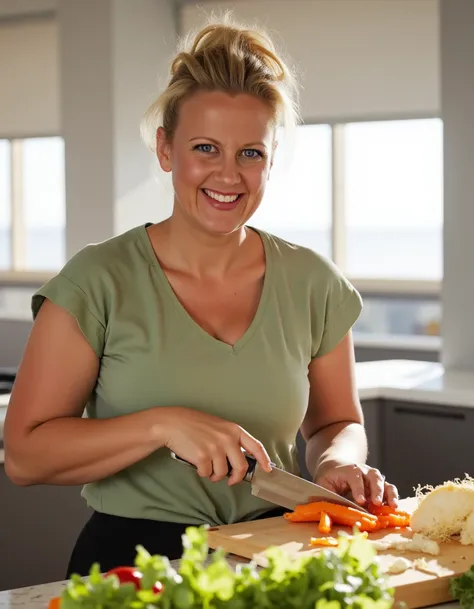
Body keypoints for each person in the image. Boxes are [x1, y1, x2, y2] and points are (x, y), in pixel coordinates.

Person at [3, 16, 398, 575]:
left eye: (250, 153)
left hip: (274, 551)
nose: (228, 175)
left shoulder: (314, 282)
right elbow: (23, 455)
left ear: (271, 157)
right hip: (133, 564)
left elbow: (337, 422)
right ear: (166, 150)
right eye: (205, 147)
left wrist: (338, 462)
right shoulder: (98, 280)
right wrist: (162, 424)